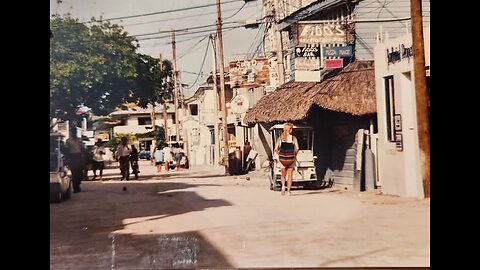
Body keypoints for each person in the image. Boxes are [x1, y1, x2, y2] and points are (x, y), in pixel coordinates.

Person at [274, 122, 299, 196]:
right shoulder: (293, 138)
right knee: (290, 175)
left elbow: (275, 149)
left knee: (283, 175)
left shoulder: (280, 138)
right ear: (290, 130)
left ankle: (283, 186)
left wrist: (280, 154)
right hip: (291, 159)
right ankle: (288, 191)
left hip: (282, 159)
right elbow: (297, 148)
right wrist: (294, 155)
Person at [64, 129, 86, 193]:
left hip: (79, 156)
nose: (73, 133)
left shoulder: (79, 140)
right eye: (72, 132)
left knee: (79, 172)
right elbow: (66, 150)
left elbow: (83, 148)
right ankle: (75, 188)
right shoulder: (68, 141)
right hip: (72, 156)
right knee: (74, 173)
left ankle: (78, 184)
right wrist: (67, 158)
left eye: (74, 132)